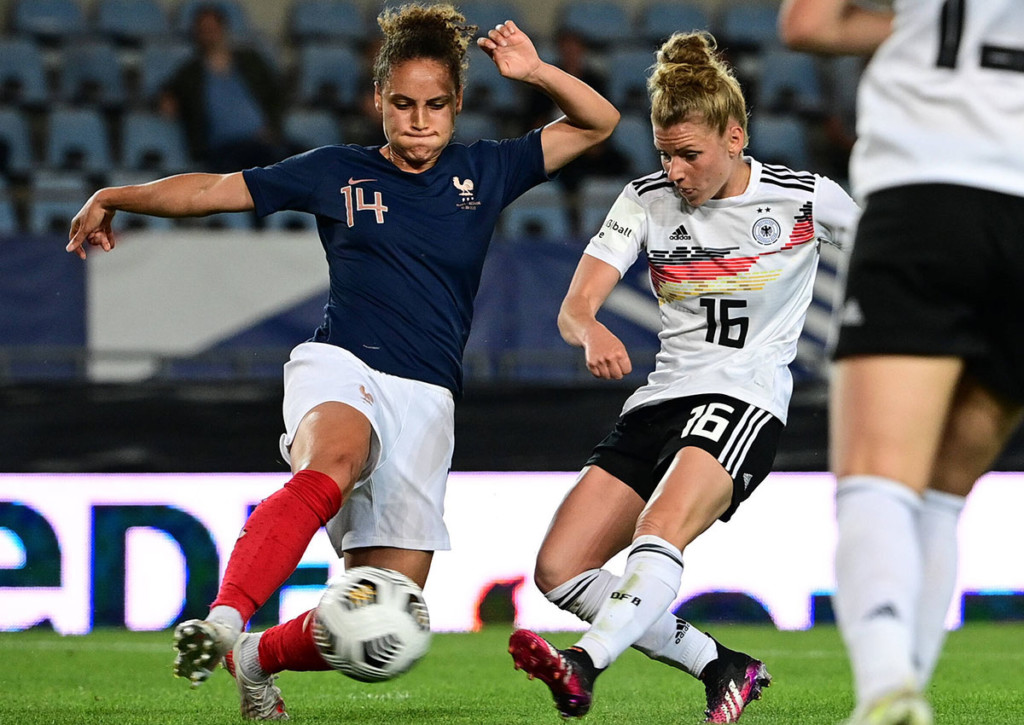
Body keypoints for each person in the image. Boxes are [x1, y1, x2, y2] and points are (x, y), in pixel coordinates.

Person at [67, 4, 618, 720]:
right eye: (403, 104)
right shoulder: (336, 171)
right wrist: (115, 195)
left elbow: (598, 123)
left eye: (435, 105)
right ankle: (225, 617)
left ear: (457, 103)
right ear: (377, 100)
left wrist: (537, 71)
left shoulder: (487, 169)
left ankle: (253, 656)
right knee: (334, 460)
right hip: (344, 364)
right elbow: (211, 190)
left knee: (389, 618)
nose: (419, 121)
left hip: (428, 400)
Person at [507, 30, 858, 723]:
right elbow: (576, 305)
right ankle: (722, 666)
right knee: (560, 570)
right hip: (661, 400)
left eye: (689, 155)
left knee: (659, 527)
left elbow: (898, 252)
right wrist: (591, 328)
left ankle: (584, 663)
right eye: (665, 154)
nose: (675, 171)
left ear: (735, 137)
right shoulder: (644, 200)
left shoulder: (804, 199)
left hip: (744, 397)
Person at [779, 2, 1024, 724]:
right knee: (945, 490)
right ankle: (901, 682)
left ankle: (888, 683)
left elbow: (809, 24)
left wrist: (914, 26)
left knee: (880, 478)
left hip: (927, 187)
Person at [160, 4, 285, 172]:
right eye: (204, 30)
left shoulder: (251, 60)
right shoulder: (190, 73)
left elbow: (277, 95)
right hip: (223, 148)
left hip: (263, 140)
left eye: (213, 29)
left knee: (305, 157)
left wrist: (273, 128)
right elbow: (167, 91)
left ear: (223, 29)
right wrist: (167, 99)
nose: (209, 35)